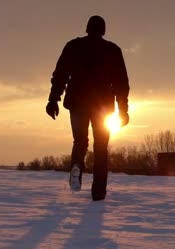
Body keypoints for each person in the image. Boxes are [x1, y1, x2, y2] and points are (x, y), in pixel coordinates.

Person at [46, 15, 130, 201]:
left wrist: (53, 100)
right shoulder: (112, 50)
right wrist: (123, 109)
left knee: (80, 141)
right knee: (101, 147)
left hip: (77, 102)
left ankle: (77, 164)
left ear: (87, 28)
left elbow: (60, 75)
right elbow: (121, 83)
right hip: (103, 106)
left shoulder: (73, 46)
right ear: (103, 30)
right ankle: (98, 192)